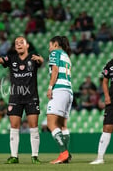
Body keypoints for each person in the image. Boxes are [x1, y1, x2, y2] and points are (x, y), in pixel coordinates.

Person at [0, 36, 43, 164]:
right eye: (16, 43)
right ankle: (14, 156)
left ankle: (35, 156)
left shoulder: (33, 57)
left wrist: (40, 58)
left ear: (27, 45)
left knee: (34, 126)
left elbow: (41, 62)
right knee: (14, 126)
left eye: (21, 42)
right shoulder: (12, 58)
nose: (18, 45)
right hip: (15, 97)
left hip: (31, 96)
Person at [46, 36, 73, 164]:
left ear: (55, 44)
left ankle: (63, 153)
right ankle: (66, 154)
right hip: (68, 90)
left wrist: (50, 87)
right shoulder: (66, 56)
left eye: (50, 45)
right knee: (63, 125)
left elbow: (55, 71)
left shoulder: (55, 53)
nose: (49, 48)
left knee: (51, 123)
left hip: (59, 89)